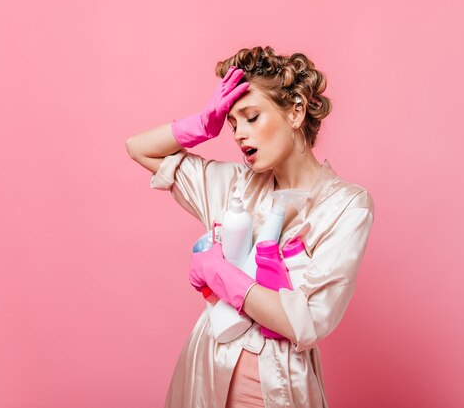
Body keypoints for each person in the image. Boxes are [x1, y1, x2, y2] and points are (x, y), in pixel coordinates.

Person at [126, 46, 375, 408]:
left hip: (278, 390)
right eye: (232, 124)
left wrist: (221, 274)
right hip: (205, 375)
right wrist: (201, 123)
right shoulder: (234, 187)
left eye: (252, 117)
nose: (239, 134)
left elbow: (305, 321)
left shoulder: (347, 207)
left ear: (296, 112)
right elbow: (139, 148)